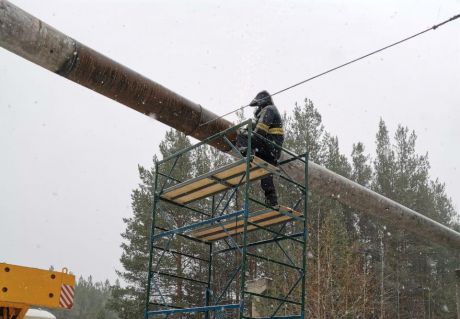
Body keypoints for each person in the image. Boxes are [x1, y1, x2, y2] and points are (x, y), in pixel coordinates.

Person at [236, 90, 284, 207]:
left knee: (241, 134)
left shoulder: (268, 109)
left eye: (258, 105)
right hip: (273, 151)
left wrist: (248, 137)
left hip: (269, 146)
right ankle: (271, 199)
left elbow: (260, 131)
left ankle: (247, 153)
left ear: (262, 103)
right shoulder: (272, 110)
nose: (256, 108)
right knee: (265, 174)